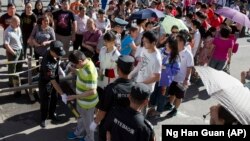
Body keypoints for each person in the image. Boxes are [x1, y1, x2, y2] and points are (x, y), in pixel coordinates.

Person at [92, 55, 135, 141]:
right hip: (128, 127)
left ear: (118, 69)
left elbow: (102, 112)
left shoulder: (111, 88)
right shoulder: (136, 87)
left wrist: (94, 123)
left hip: (110, 127)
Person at [67, 50, 99, 141]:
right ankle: (79, 133)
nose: (74, 66)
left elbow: (92, 91)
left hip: (88, 103)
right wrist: (75, 70)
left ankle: (89, 138)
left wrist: (75, 97)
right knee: (81, 118)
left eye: (74, 64)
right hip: (82, 100)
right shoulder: (85, 63)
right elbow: (81, 72)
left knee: (88, 123)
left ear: (80, 61)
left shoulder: (90, 71)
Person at [39, 40, 68, 128]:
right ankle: (43, 118)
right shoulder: (47, 63)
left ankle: (52, 114)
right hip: (46, 82)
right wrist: (62, 94)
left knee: (54, 98)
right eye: (58, 53)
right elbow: (53, 82)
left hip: (54, 76)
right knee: (45, 100)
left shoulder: (54, 53)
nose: (59, 55)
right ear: (52, 51)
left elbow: (58, 61)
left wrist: (60, 69)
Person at [166, 33, 194, 117]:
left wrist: (186, 79)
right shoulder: (174, 51)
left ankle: (175, 109)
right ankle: (170, 104)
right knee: (172, 93)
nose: (175, 41)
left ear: (182, 42)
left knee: (179, 96)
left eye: (177, 40)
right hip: (173, 77)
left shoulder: (188, 54)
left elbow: (189, 68)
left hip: (182, 79)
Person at [3, 16, 23, 97]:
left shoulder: (18, 27)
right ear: (12, 22)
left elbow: (20, 37)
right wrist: (13, 53)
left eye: (19, 22)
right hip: (13, 52)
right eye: (17, 22)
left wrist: (21, 48)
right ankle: (12, 84)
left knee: (18, 67)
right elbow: (6, 45)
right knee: (12, 69)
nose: (19, 24)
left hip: (20, 50)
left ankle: (17, 81)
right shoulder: (7, 31)